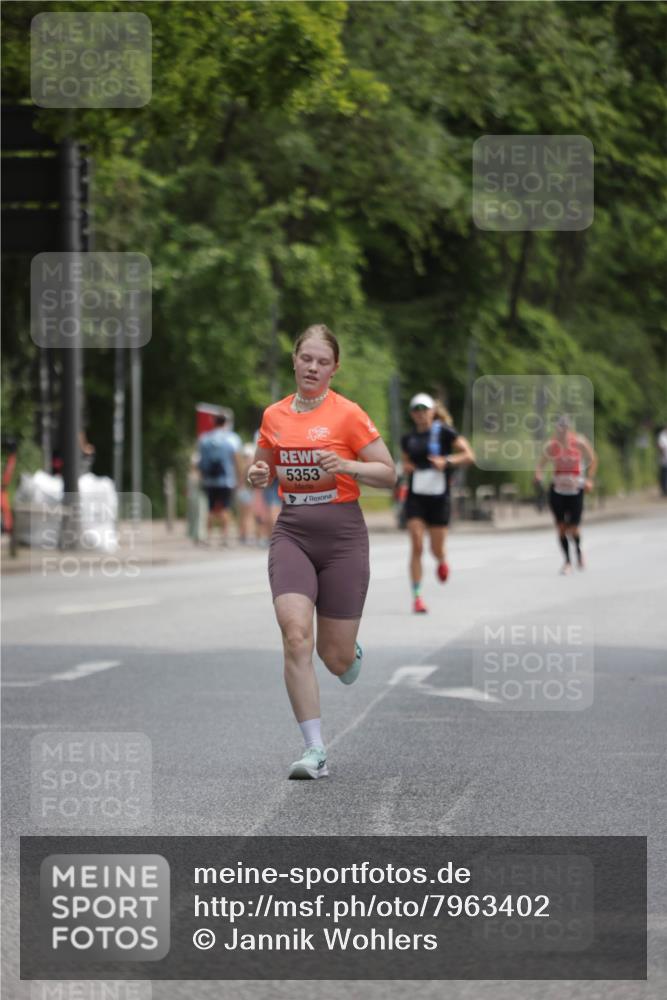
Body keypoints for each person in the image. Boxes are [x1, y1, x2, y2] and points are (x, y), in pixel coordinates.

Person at [246, 323, 396, 780]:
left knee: (335, 658)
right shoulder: (274, 416)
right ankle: (314, 750)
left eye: (322, 361)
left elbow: (389, 473)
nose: (312, 367)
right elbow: (262, 468)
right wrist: (256, 476)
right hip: (292, 531)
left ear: (334, 369)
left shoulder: (348, 414)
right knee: (295, 635)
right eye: (306, 358)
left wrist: (348, 464)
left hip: (343, 535)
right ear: (294, 360)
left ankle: (349, 655)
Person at [401, 393, 474, 614]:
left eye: (425, 409)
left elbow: (469, 455)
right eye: (416, 410)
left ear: (432, 411)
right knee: (416, 544)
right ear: (412, 414)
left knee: (436, 548)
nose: (421, 414)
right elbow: (405, 461)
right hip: (416, 497)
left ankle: (442, 560)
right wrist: (407, 468)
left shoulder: (443, 432)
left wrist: (447, 461)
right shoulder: (408, 438)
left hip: (439, 498)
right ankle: (417, 597)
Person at [534, 415, 598, 574]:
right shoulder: (552, 445)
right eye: (559, 428)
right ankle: (567, 562)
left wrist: (589, 479)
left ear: (569, 428)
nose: (562, 431)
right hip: (557, 489)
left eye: (564, 427)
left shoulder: (580, 442)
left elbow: (593, 459)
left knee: (573, 528)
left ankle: (578, 550)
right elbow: (541, 463)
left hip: (576, 489)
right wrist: (538, 475)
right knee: (561, 527)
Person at [198, 414, 242, 545]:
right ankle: (225, 538)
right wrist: (240, 477)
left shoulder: (205, 439)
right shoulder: (231, 438)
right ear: (226, 423)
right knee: (225, 508)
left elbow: (201, 461)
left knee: (210, 508)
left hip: (209, 479)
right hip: (226, 480)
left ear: (214, 422)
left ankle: (208, 537)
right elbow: (236, 459)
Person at [657, 426, 667, 497]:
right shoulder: (662, 436)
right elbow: (660, 446)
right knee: (663, 476)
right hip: (664, 460)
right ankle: (664, 491)